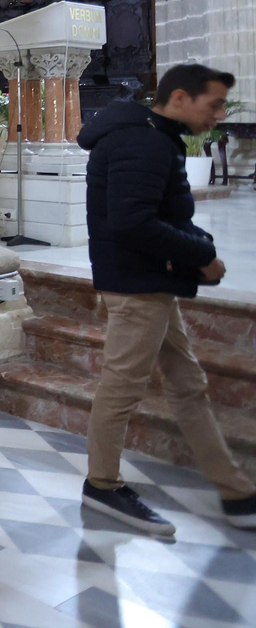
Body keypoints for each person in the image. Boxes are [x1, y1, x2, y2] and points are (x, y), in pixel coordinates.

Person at [77, 63, 255, 534]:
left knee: (187, 382)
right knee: (122, 386)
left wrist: (199, 250)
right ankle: (103, 485)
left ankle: (236, 491)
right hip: (138, 285)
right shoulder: (144, 140)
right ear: (180, 97)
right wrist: (203, 254)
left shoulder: (151, 135)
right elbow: (132, 222)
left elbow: (161, 213)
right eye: (212, 104)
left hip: (150, 281)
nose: (218, 114)